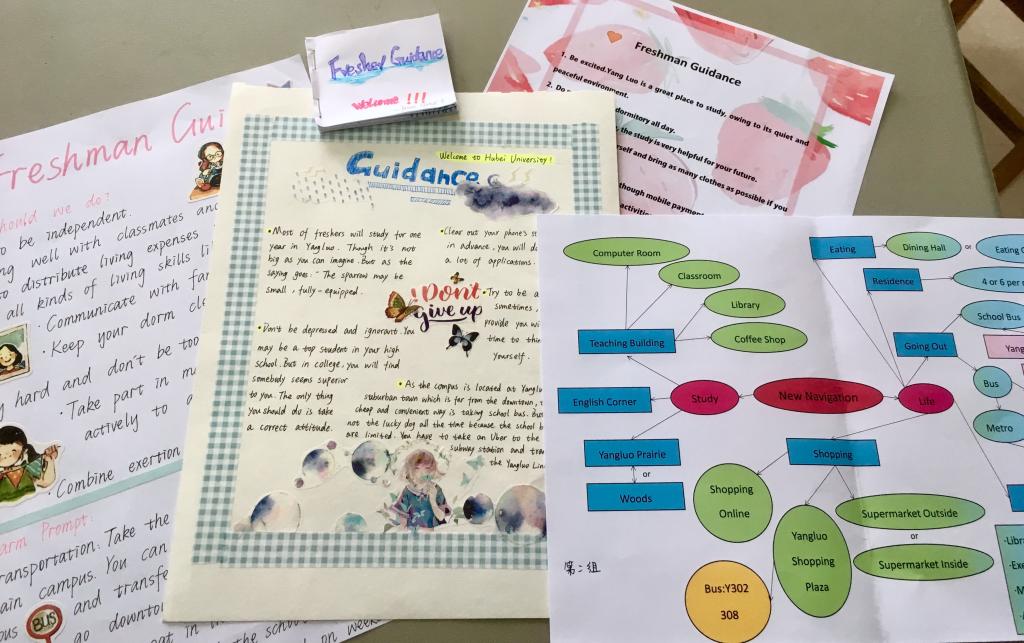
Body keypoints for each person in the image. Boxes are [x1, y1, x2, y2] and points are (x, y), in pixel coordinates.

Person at [392, 449, 451, 529]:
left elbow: (441, 517)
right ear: (410, 470)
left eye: (427, 468)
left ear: (433, 470)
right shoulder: (408, 491)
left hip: (434, 531)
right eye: (417, 468)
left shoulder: (436, 489)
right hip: (414, 531)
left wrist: (433, 500)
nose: (422, 472)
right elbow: (402, 519)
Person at [0, 425, 58, 504]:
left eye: (13, 451)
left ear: (24, 451)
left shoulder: (27, 470)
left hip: (35, 503)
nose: (6, 456)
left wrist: (49, 460)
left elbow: (45, 482)